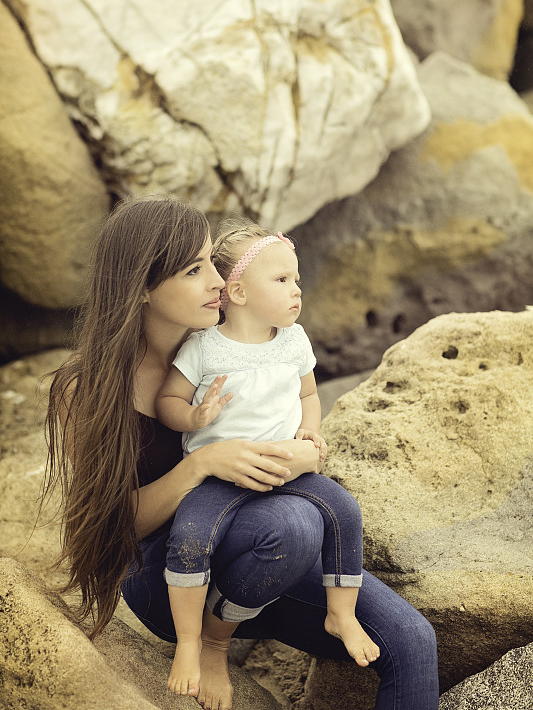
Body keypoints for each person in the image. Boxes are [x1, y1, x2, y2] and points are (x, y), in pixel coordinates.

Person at [44, 196, 439, 710]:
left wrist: (304, 452)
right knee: (296, 525)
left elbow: (298, 410)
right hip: (171, 570)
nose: (217, 280)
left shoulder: (236, 337)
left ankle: (239, 620)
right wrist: (202, 463)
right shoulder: (86, 388)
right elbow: (108, 528)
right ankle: (210, 642)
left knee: (412, 640)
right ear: (141, 287)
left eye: (212, 260)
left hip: (266, 546)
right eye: (194, 269)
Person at [155, 219, 381, 697]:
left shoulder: (294, 340)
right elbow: (167, 403)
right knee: (189, 539)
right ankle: (191, 642)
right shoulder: (204, 348)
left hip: (283, 467)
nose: (297, 289)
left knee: (344, 511)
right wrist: (196, 418)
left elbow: (309, 394)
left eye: (296, 279)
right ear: (236, 292)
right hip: (216, 479)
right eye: (281, 280)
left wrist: (310, 430)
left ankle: (341, 614)